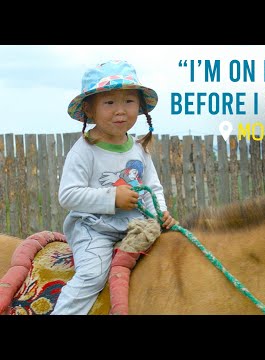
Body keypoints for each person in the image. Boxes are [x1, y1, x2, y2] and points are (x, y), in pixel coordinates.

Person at [51, 60, 176, 315]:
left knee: (171, 259)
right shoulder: (85, 150)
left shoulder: (139, 149)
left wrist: (161, 213)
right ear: (90, 109)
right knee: (93, 274)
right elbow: (68, 196)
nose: (120, 111)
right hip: (93, 227)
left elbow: (152, 188)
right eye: (109, 103)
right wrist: (112, 197)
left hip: (135, 224)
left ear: (139, 106)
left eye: (128, 101)